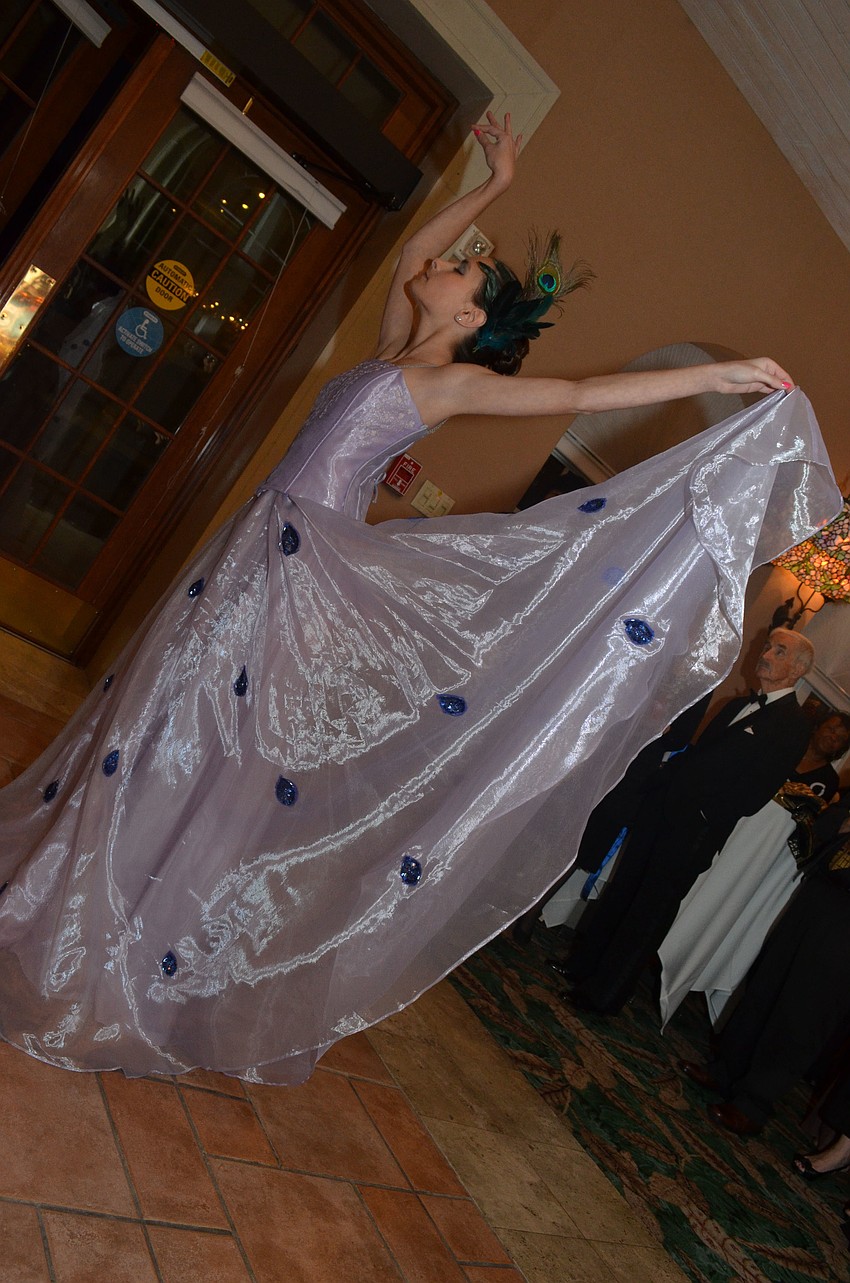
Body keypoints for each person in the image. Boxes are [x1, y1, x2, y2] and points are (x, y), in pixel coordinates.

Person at [0, 114, 838, 1084]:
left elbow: (579, 385)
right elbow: (414, 248)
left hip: (291, 575)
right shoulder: (400, 345)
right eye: (464, 261)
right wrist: (497, 175)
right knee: (159, 729)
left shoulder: (447, 386)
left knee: (211, 749)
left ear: (471, 319)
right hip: (250, 557)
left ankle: (130, 955)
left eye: (468, 271)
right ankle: (80, 908)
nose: (454, 263)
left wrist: (726, 374)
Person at [562, 628, 816, 1015]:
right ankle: (582, 968)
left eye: (778, 651)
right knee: (623, 891)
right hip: (662, 811)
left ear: (797, 668)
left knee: (648, 913)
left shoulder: (793, 725)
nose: (765, 654)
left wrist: (700, 814)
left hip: (694, 831)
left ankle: (604, 996)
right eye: (767, 646)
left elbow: (753, 794)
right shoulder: (736, 705)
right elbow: (696, 757)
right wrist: (660, 786)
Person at [657, 712, 850, 1027]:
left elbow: (806, 830)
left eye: (840, 739)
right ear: (818, 727)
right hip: (730, 827)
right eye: (831, 730)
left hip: (756, 853)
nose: (833, 738)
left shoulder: (828, 783)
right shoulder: (788, 747)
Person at [679, 799, 850, 1136]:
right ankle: (727, 1070)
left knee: (804, 1015)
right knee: (765, 986)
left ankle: (753, 1104)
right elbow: (824, 830)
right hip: (819, 898)